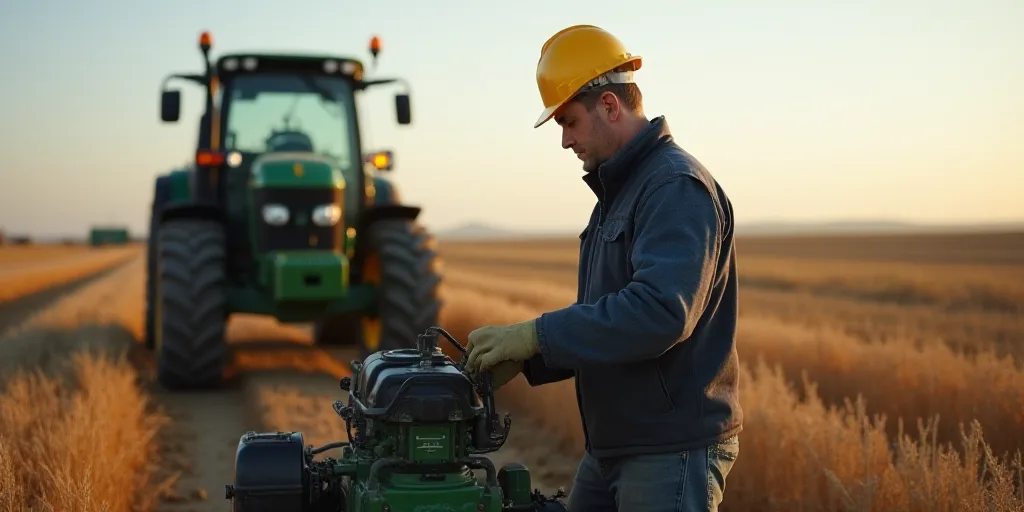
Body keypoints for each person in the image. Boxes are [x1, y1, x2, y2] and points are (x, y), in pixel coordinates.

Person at [464, 25, 743, 511]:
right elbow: (606, 318)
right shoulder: (618, 194)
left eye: (569, 122)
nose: (566, 141)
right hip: (617, 445)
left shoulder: (674, 186)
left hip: (668, 450)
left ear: (610, 106)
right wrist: (531, 358)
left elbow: (659, 313)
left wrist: (537, 334)